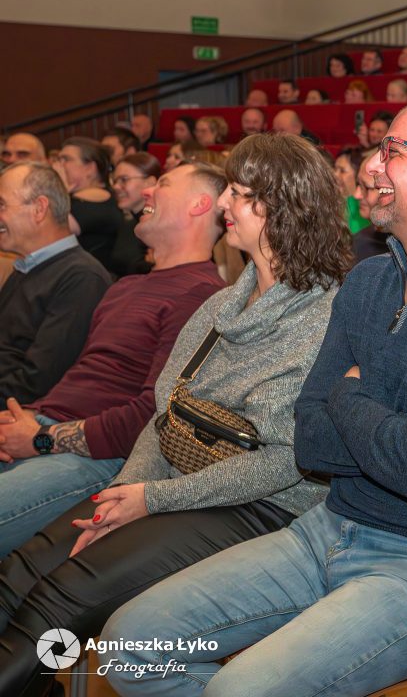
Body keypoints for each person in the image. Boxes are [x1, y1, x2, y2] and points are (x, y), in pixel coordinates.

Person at [103, 97, 407, 697]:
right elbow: (310, 443)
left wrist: (349, 396)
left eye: (393, 151)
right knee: (129, 644)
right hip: (331, 526)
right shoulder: (367, 281)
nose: (372, 166)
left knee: (239, 691)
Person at [0, 133, 353, 697]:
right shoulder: (223, 302)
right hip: (178, 481)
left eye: (239, 192)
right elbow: (164, 413)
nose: (223, 203)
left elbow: (283, 462)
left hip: (262, 508)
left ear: (283, 205)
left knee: (63, 596)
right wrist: (127, 492)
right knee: (21, 570)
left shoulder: (328, 315)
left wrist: (151, 499)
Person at [0, 162, 228, 557]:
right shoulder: (126, 286)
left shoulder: (202, 294)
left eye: (163, 183)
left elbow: (155, 417)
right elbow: (80, 380)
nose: (147, 191)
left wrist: (39, 439)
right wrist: (20, 425)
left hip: (99, 455)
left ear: (199, 204)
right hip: (44, 428)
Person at [0, 163, 110, 406]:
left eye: (2, 205)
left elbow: (38, 381)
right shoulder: (28, 267)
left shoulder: (82, 278)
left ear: (39, 209)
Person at [57, 137, 125, 272]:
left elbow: (49, 234)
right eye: (59, 159)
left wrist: (57, 189)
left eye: (66, 159)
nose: (59, 165)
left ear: (90, 168)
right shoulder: (76, 195)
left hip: (87, 277)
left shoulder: (96, 196)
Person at [109, 152, 160, 275]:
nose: (116, 187)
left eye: (124, 179)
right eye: (115, 181)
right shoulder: (129, 222)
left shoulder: (159, 226)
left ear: (150, 182)